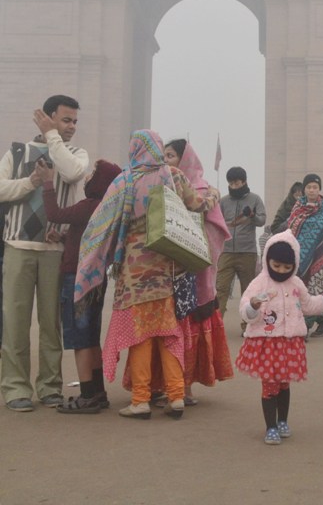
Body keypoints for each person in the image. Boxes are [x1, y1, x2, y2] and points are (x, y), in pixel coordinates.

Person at [75, 129, 208, 421]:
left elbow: (100, 225)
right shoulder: (173, 176)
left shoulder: (125, 180)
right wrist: (213, 196)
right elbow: (198, 206)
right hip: (165, 273)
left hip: (134, 277)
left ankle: (140, 400)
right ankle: (175, 397)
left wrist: (91, 260)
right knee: (167, 335)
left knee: (140, 337)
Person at [0, 95, 89, 412]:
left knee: (51, 325)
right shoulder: (17, 151)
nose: (72, 127)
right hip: (18, 248)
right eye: (66, 120)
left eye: (75, 121)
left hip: (55, 251)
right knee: (16, 323)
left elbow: (73, 173)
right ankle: (15, 388)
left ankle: (50, 386)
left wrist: (53, 137)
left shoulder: (75, 154)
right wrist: (30, 182)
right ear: (49, 116)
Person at [38, 158, 121, 413]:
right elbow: (87, 238)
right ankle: (97, 393)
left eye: (92, 173)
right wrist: (64, 237)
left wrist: (47, 183)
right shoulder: (105, 207)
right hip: (95, 279)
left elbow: (54, 214)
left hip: (77, 278)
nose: (87, 176)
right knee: (90, 335)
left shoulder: (89, 205)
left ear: (101, 181)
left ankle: (86, 395)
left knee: (79, 337)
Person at [236, 229, 323, 445]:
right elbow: (244, 309)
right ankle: (270, 426)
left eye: (287, 267)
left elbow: (308, 306)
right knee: (270, 385)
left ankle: (283, 421)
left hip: (290, 344)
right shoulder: (259, 283)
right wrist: (252, 308)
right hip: (267, 343)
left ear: (294, 265)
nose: (281, 270)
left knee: (284, 385)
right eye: (276, 265)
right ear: (267, 260)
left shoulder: (296, 283)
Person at [163, 139, 233, 404]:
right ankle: (164, 384)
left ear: (184, 160)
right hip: (165, 271)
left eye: (170, 155)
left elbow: (215, 233)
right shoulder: (160, 186)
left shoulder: (204, 190)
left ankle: (186, 386)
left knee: (188, 327)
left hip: (193, 273)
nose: (165, 160)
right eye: (164, 155)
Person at [216, 166, 266, 332]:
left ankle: (248, 325)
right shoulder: (223, 202)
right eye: (231, 183)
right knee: (221, 289)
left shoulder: (255, 199)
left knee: (248, 290)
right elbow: (216, 222)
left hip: (247, 252)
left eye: (237, 182)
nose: (234, 186)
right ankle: (216, 326)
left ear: (244, 181)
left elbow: (262, 221)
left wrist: (251, 215)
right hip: (226, 251)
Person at [287, 173, 323, 337]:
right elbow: (292, 226)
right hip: (299, 255)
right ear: (304, 189)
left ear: (319, 189)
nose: (312, 190)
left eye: (315, 187)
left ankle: (305, 326)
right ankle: (321, 322)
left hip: (321, 255)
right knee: (303, 289)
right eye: (309, 187)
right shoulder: (297, 207)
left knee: (315, 289)